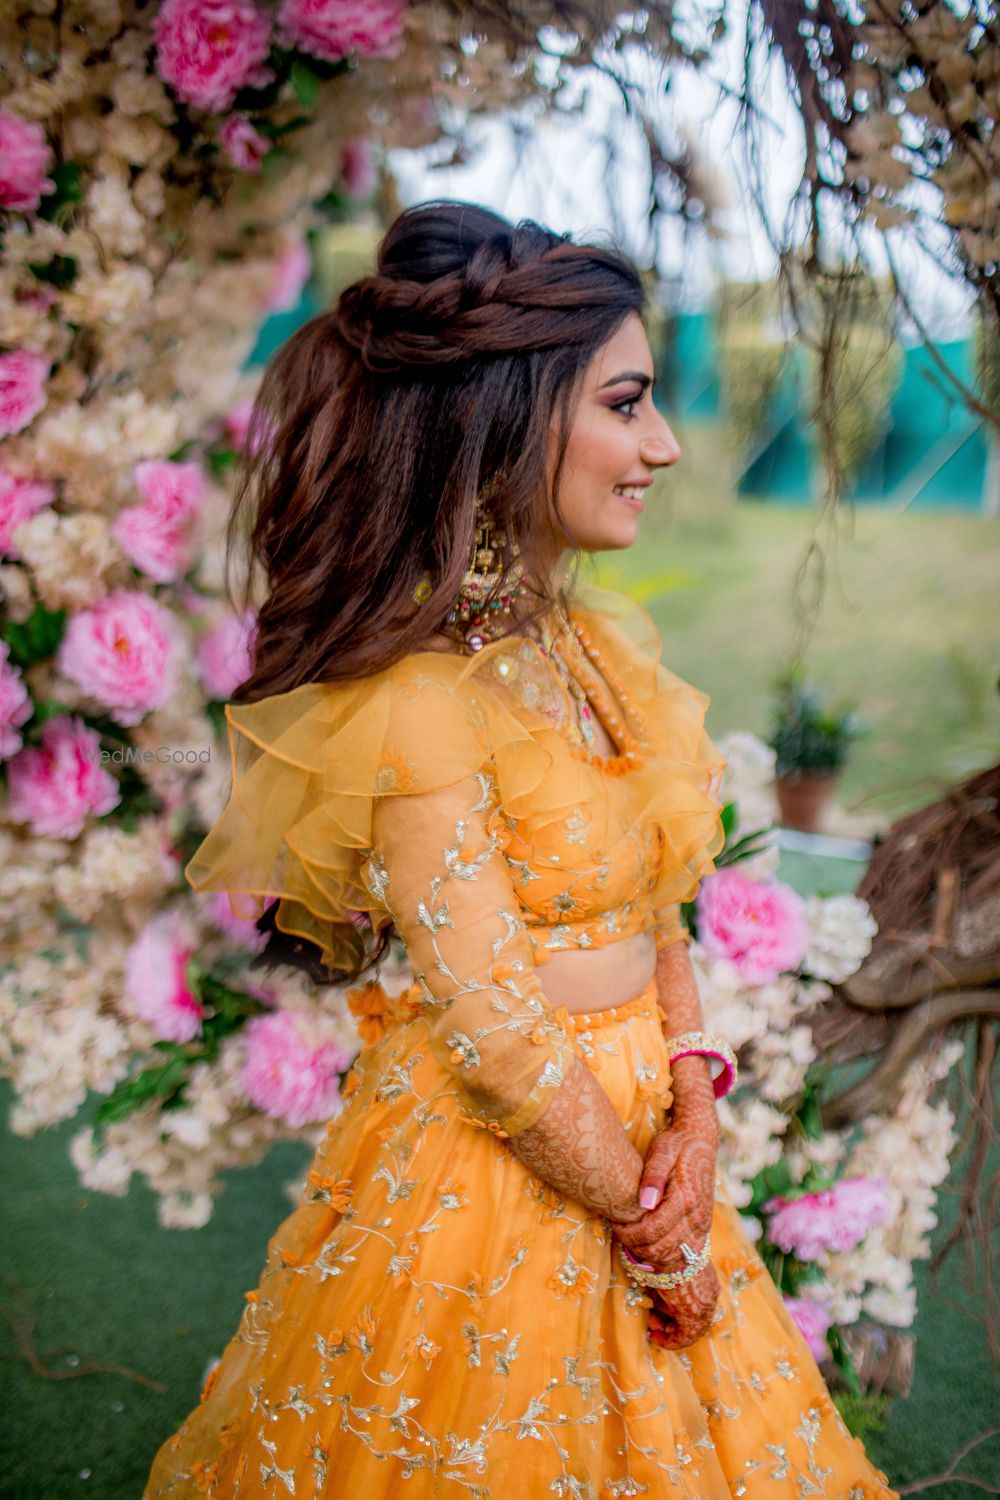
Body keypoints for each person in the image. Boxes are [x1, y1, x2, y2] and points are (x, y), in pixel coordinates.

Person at [144, 201, 895, 1499]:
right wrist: (659, 1239)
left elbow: (662, 901)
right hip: (500, 1168)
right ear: (510, 416)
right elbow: (493, 1030)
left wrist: (698, 1115)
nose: (661, 443)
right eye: (627, 403)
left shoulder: (594, 654)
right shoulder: (424, 703)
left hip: (652, 1137)